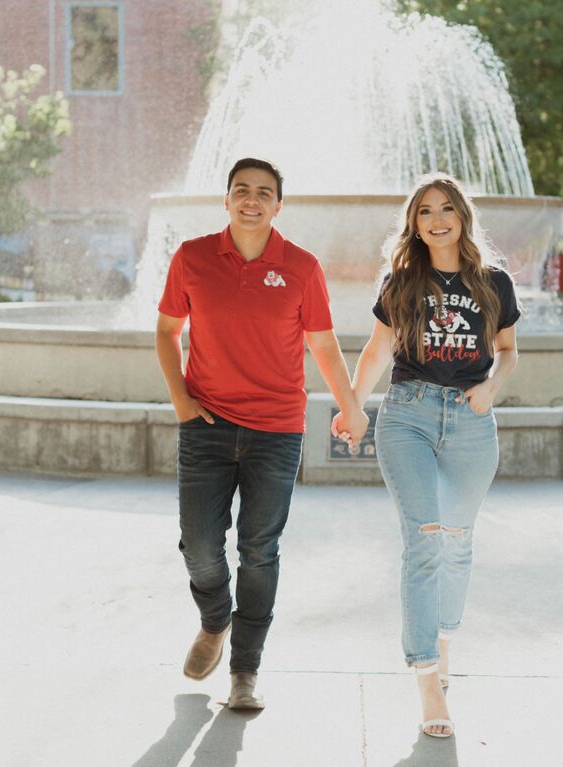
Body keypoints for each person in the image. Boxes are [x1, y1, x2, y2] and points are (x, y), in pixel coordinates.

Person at [156, 157, 369, 710]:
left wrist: (350, 408)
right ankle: (213, 621)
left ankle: (244, 672)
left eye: (264, 193)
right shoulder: (193, 257)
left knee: (259, 550)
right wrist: (181, 399)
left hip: (276, 429)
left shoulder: (301, 267)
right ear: (225, 200)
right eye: (241, 191)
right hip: (206, 424)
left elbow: (323, 345)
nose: (252, 200)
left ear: (279, 205)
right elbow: (166, 331)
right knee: (200, 547)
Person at [332, 173, 520, 738]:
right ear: (414, 224)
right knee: (424, 539)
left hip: (471, 419)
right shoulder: (403, 281)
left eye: (446, 209)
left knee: (457, 544)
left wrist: (491, 388)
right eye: (424, 212)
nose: (437, 220)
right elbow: (374, 351)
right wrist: (353, 408)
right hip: (408, 415)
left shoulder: (493, 282)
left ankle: (443, 639)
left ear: (462, 216)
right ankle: (427, 680)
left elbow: (507, 352)